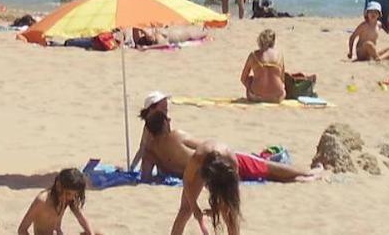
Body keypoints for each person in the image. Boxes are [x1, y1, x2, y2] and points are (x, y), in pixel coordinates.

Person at [141, 110, 319, 185]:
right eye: (167, 119)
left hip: (204, 177)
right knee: (265, 167)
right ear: (164, 123)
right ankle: (307, 173)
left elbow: (146, 178)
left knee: (265, 174)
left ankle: (300, 178)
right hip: (218, 162)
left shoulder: (150, 152)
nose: (170, 121)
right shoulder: (176, 135)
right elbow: (206, 146)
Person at [17, 168, 99, 235]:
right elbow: (22, 229)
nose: (70, 197)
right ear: (59, 186)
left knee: (98, 233)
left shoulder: (69, 199)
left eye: (74, 195)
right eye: (68, 193)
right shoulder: (42, 201)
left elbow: (81, 217)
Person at [129, 91, 171, 172]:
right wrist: (132, 167)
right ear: (152, 108)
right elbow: (142, 148)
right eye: (163, 106)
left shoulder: (164, 123)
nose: (166, 108)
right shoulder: (148, 126)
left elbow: (168, 146)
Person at [239, 29, 285, 103]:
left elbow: (243, 78)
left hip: (256, 96)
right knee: (276, 78)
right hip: (277, 97)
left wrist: (252, 84)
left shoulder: (253, 55)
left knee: (251, 78)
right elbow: (282, 79)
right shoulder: (279, 56)